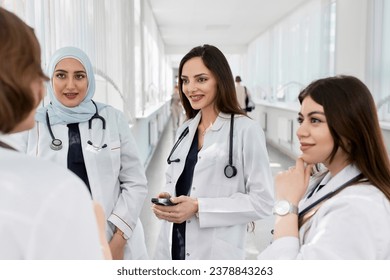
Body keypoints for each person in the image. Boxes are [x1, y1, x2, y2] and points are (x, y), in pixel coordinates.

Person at [8, 46, 149, 260]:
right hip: (56, 239)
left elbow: (135, 182)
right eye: (61, 75)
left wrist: (118, 241)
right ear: (50, 79)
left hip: (116, 236)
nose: (71, 85)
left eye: (79, 76)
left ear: (89, 80)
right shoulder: (32, 123)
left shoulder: (112, 119)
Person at [0, 7, 108, 259]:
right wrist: (101, 238)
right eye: (35, 69)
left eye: (79, 76)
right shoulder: (55, 191)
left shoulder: (111, 117)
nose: (43, 80)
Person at [152, 44, 274, 260]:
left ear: (220, 80)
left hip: (215, 253)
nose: (190, 88)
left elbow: (262, 202)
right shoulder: (185, 129)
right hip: (173, 246)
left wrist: (199, 207)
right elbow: (173, 178)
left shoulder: (246, 130)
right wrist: (167, 198)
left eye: (201, 79)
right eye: (185, 80)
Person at [259, 75, 390, 259]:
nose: (300, 132)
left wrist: (286, 205)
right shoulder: (326, 180)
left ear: (350, 127)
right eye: (301, 120)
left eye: (315, 120)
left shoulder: (357, 208)